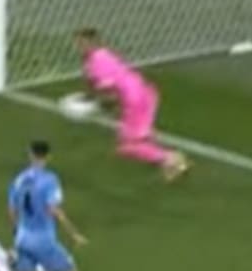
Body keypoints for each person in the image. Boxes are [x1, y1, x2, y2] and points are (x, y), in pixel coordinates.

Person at [0, 140, 87, 271]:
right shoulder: (50, 180)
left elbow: (11, 211)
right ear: (48, 157)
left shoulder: (19, 179)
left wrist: (17, 234)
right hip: (43, 240)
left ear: (30, 154)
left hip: (23, 238)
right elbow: (53, 210)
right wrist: (74, 234)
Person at [76, 29, 189, 181]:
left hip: (136, 102)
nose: (79, 47)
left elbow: (110, 97)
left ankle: (172, 159)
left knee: (127, 147)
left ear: (93, 43)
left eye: (82, 43)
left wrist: (94, 107)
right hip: (145, 93)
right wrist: (90, 97)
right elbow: (99, 84)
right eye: (78, 43)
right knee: (139, 137)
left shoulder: (97, 63)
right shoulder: (102, 55)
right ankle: (166, 163)